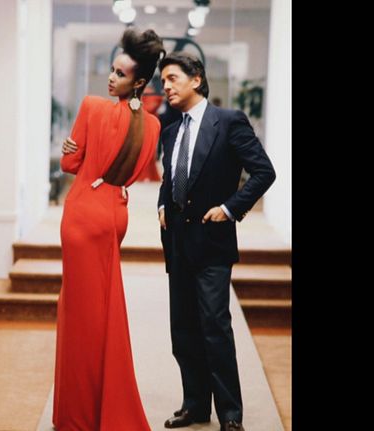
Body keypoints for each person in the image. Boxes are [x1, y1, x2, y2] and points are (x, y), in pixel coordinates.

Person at [157, 52, 276, 431]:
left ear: (196, 79)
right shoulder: (170, 130)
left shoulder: (228, 122)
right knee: (183, 330)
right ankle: (194, 406)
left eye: (173, 78)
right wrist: (162, 203)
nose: (166, 86)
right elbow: (171, 177)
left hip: (212, 243)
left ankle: (230, 414)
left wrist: (230, 208)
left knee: (214, 327)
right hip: (177, 242)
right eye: (163, 80)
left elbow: (264, 172)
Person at [53, 28, 165, 431]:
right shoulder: (151, 125)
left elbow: (70, 165)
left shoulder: (91, 107)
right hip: (115, 213)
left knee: (80, 314)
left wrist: (72, 152)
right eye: (113, 70)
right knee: (104, 310)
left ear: (138, 81)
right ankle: (103, 403)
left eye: (120, 73)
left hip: (84, 214)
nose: (111, 78)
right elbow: (133, 174)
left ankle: (78, 414)